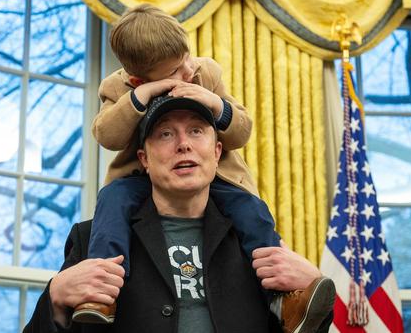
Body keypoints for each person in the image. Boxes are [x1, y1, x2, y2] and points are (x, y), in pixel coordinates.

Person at [77, 4, 331, 331]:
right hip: (142, 180)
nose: (187, 72)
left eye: (187, 59)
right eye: (174, 72)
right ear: (138, 78)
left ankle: (283, 297)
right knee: (112, 199)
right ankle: (103, 293)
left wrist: (214, 103)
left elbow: (241, 131)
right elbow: (107, 135)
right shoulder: (118, 88)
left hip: (219, 179)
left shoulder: (204, 72)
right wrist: (143, 96)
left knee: (251, 209)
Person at [24, 95, 336, 333]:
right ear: (144, 160)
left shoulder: (255, 243)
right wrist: (55, 299)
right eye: (166, 134)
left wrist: (311, 288)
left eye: (196, 131)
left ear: (216, 153)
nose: (183, 144)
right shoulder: (92, 239)